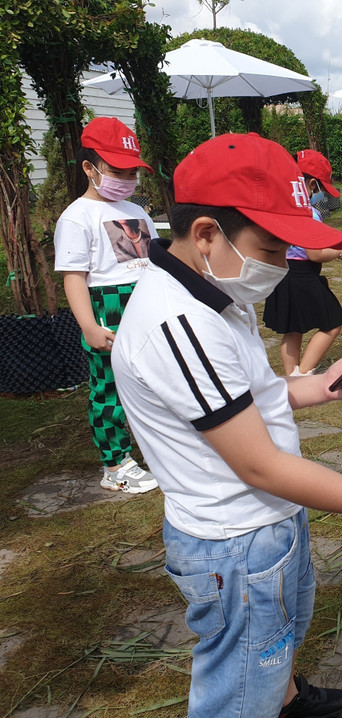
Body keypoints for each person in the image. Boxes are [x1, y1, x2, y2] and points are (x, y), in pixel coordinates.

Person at [111, 132, 342, 718]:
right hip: (234, 541)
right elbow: (259, 464)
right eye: (271, 248)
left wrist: (319, 383)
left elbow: (251, 398)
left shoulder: (214, 291)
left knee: (275, 642)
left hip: (264, 520)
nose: (281, 263)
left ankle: (286, 699)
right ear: (208, 233)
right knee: (241, 681)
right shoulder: (177, 323)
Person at [53, 116, 159, 494]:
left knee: (154, 381)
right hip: (107, 307)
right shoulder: (76, 217)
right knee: (108, 388)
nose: (127, 178)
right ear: (89, 168)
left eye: (133, 171)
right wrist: (89, 327)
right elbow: (74, 277)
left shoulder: (138, 212)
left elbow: (156, 262)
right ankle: (115, 465)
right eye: (118, 170)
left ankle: (158, 449)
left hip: (146, 303)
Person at [263, 150, 342, 376]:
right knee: (333, 323)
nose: (319, 194)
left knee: (292, 328)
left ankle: (291, 375)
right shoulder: (308, 212)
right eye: (319, 188)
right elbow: (315, 254)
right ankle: (304, 374)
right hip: (303, 275)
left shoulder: (279, 205)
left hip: (281, 273)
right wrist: (339, 252)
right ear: (311, 184)